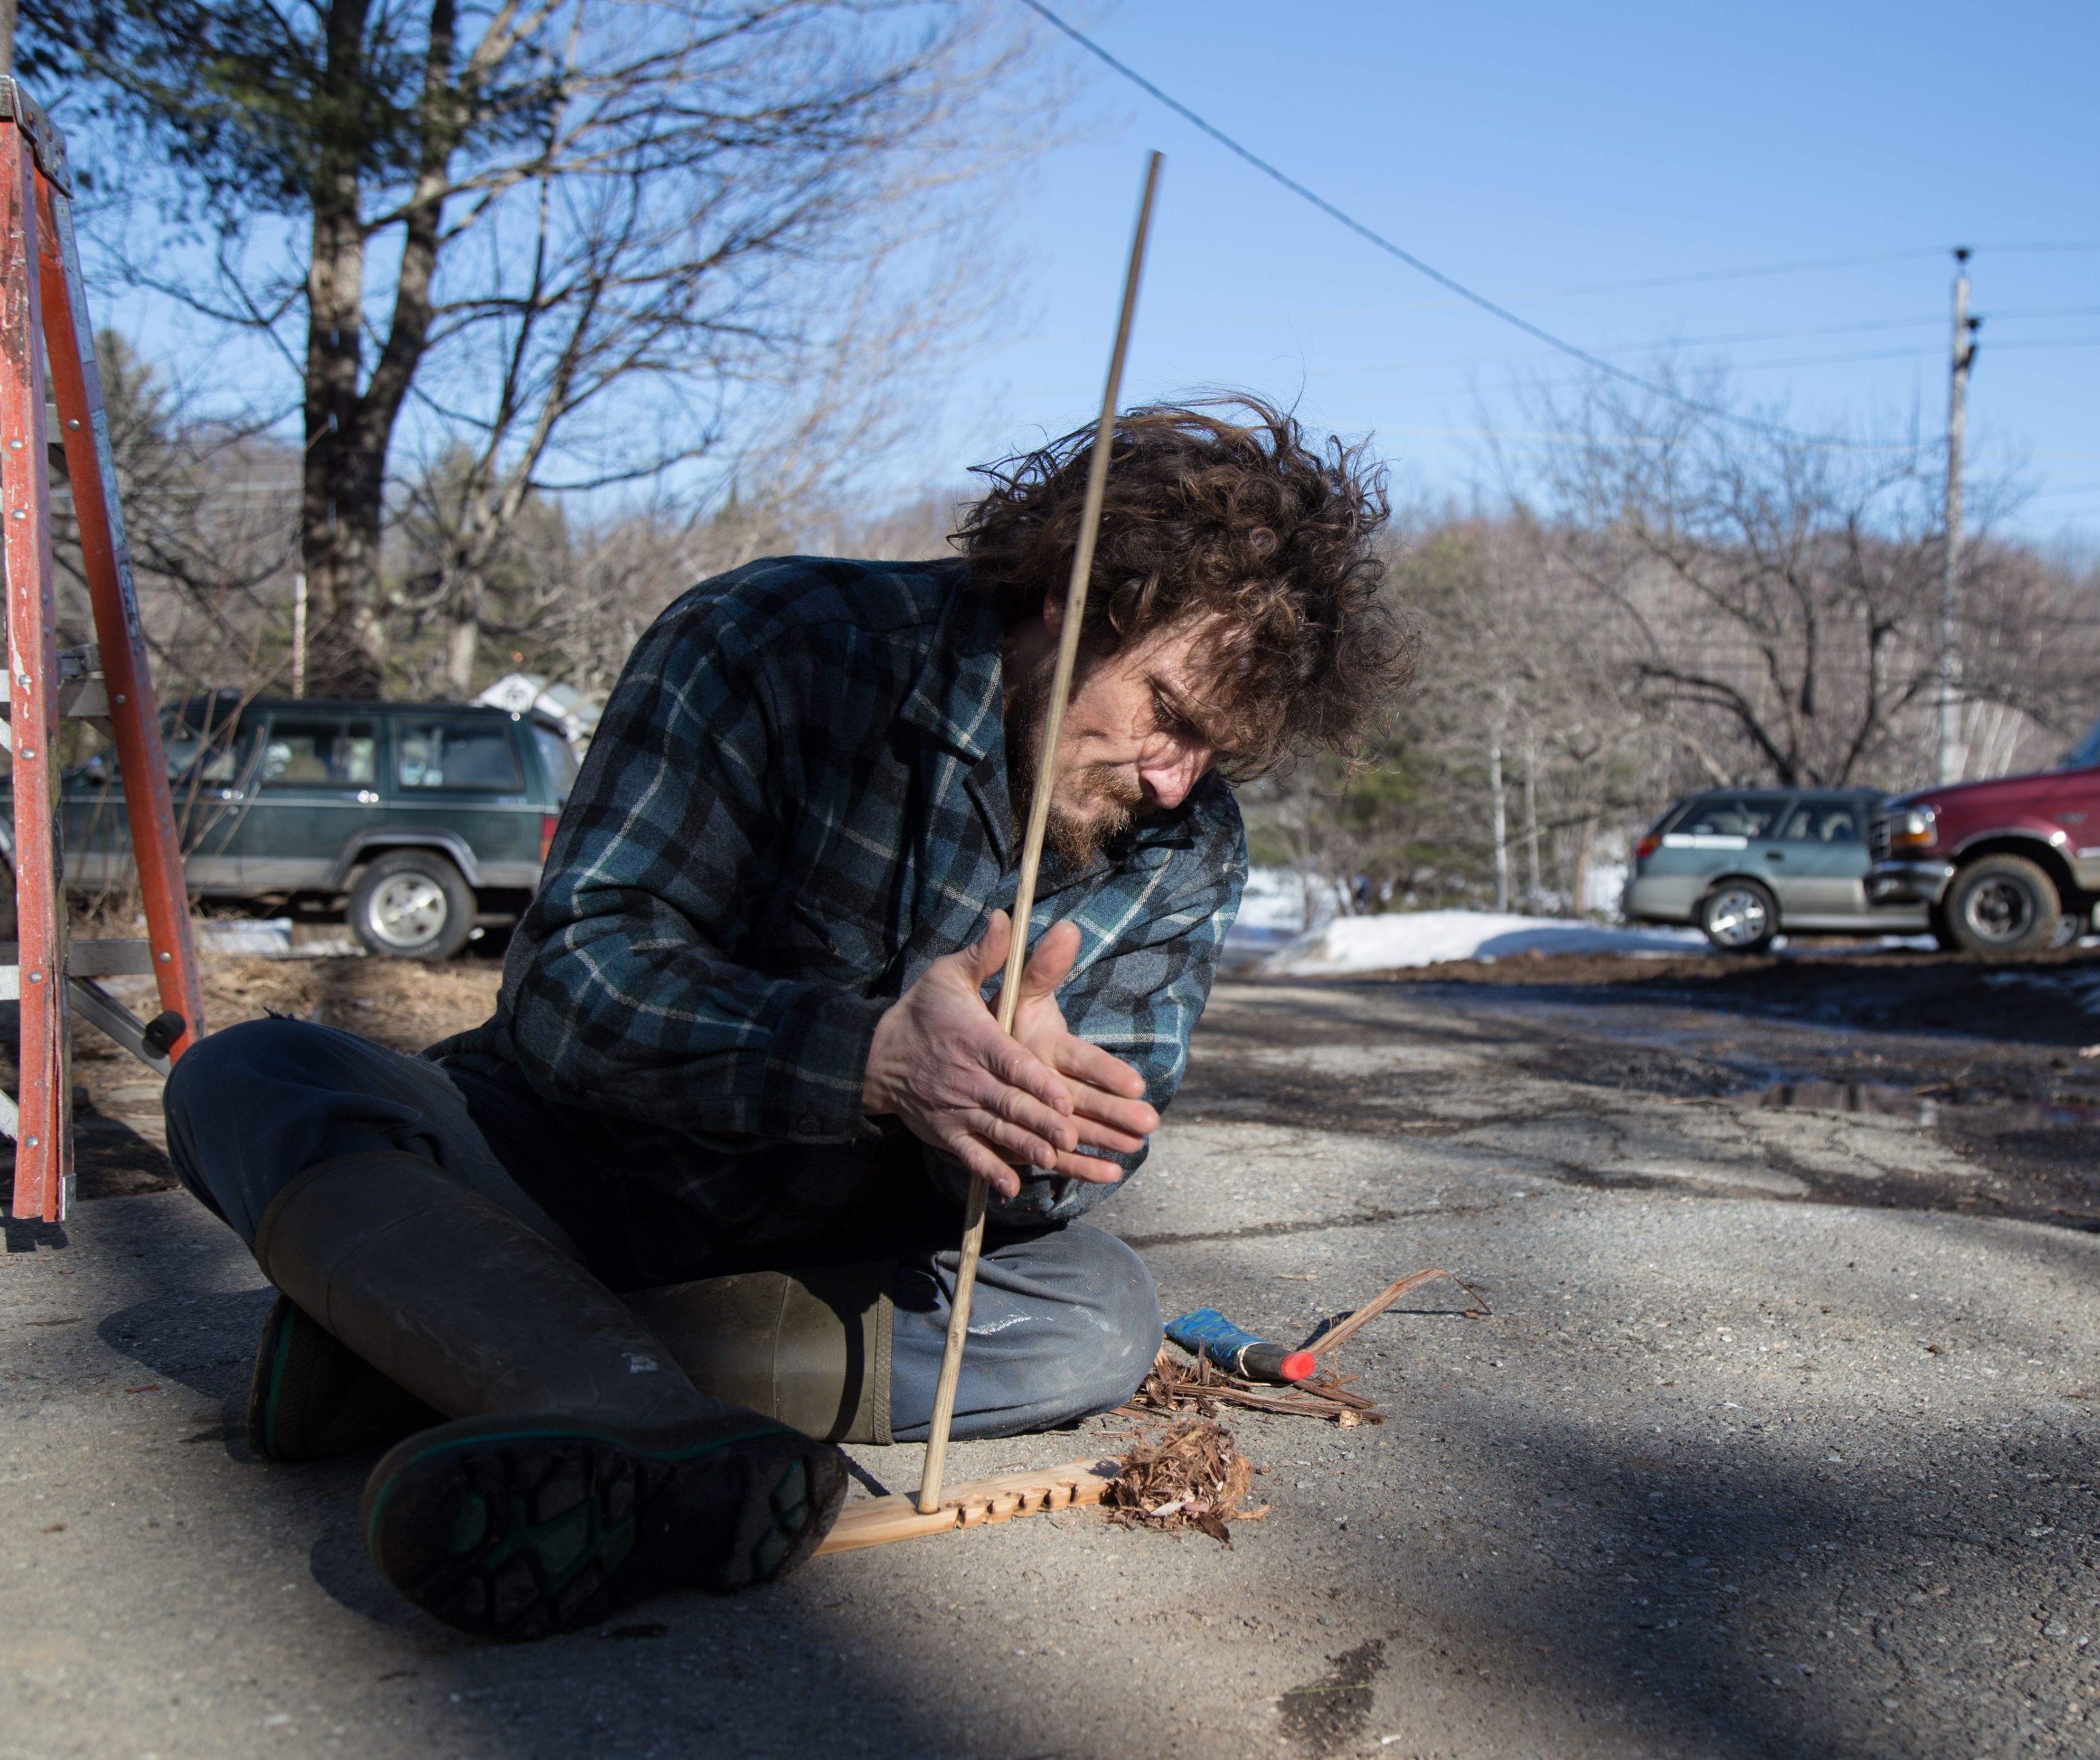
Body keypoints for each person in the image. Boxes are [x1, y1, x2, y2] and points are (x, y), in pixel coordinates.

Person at [162, 398, 1406, 1641]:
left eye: (1218, 749)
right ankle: (648, 1421)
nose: (1176, 779)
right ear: (1069, 602)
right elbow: (571, 977)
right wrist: (865, 1059)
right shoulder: (772, 641)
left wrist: (1024, 1128)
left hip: (832, 1260)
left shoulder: (1191, 847)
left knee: (1100, 1317)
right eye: (1169, 714)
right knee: (254, 1075)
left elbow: (1074, 1168)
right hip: (560, 1168)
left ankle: (442, 1344)